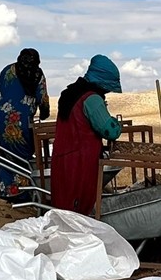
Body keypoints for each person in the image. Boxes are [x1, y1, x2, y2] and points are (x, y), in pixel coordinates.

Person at [50, 54, 122, 215]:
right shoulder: (91, 99)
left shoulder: (70, 93)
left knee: (64, 206)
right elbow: (110, 130)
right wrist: (117, 124)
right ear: (103, 81)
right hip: (80, 161)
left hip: (63, 157)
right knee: (78, 208)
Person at [0, 48, 50, 202]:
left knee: (4, 155)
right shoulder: (38, 74)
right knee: (22, 157)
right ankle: (21, 193)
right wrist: (44, 113)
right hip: (22, 121)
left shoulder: (8, 70)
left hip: (1, 119)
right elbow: (43, 99)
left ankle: (6, 192)